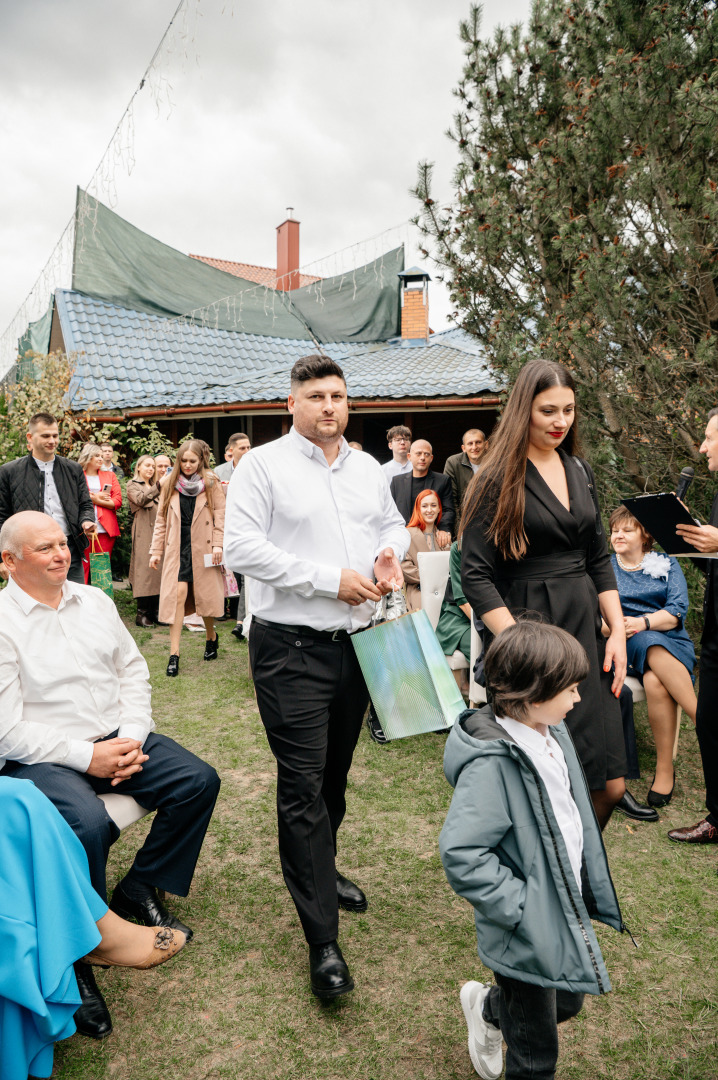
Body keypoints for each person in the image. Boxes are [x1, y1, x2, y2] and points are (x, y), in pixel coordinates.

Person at [224, 353, 408, 999]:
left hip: (357, 647)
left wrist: (391, 552)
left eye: (338, 395)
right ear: (294, 403)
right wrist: (331, 579)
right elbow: (242, 548)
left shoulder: (365, 468)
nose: (330, 406)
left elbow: (390, 524)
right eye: (317, 396)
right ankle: (322, 940)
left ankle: (321, 872)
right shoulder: (261, 466)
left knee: (334, 777)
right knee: (302, 784)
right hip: (289, 650)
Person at [0, 511, 221, 1040]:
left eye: (63, 542)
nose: (62, 554)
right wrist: (87, 757)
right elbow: (7, 731)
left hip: (118, 736)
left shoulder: (95, 599)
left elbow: (132, 669)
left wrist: (133, 736)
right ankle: (81, 948)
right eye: (45, 548)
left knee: (198, 781)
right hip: (44, 757)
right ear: (9, 561)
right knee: (86, 824)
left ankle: (139, 886)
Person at [440, 621, 626, 1080]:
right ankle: (502, 1016)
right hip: (524, 926)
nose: (579, 699)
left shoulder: (549, 732)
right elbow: (463, 853)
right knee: (536, 1056)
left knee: (566, 998)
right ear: (531, 692)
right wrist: (522, 909)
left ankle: (487, 1007)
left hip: (555, 906)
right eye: (571, 690)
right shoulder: (492, 765)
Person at [460, 359, 627, 829]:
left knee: (608, 784)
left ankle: (570, 873)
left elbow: (598, 559)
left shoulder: (580, 470)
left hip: (585, 633)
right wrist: (522, 647)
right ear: (523, 411)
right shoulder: (494, 479)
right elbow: (475, 575)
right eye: (548, 411)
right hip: (528, 635)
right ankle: (550, 884)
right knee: (541, 780)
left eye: (569, 411)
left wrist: (616, 631)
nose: (560, 422)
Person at [0, 778, 186, 1076]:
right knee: (65, 815)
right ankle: (85, 943)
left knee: (198, 780)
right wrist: (87, 756)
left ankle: (126, 898)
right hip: (38, 756)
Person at [607, 507, 697, 816]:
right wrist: (624, 627)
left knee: (656, 681)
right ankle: (704, 718)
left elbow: (676, 612)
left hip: (670, 640)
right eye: (615, 530)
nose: (618, 535)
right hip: (624, 643)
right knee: (645, 641)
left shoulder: (667, 563)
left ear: (645, 536)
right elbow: (599, 618)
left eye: (627, 530)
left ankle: (664, 771)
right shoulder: (604, 567)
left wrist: (642, 623)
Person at [669, 407, 718, 847]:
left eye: (708, 438)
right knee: (709, 722)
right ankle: (717, 817)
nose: (701, 447)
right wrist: (684, 536)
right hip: (717, 633)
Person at [150, 439, 225, 676]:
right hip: (177, 548)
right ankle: (174, 654)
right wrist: (156, 551)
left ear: (201, 460)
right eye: (183, 461)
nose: (187, 465)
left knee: (205, 599)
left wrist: (218, 546)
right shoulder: (169, 484)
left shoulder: (211, 483)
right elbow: (160, 520)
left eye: (192, 461)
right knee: (177, 597)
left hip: (203, 548)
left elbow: (220, 517)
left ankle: (211, 637)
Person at [0, 411, 96, 584]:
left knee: (73, 604)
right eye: (45, 436)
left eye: (55, 435)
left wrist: (86, 520)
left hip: (68, 550)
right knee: (32, 607)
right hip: (28, 554)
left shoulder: (73, 469)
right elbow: (2, 517)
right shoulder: (9, 472)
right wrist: (1, 559)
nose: (52, 441)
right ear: (30, 437)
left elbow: (85, 504)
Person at [390, 439, 456, 536]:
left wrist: (443, 530)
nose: (422, 458)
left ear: (431, 458)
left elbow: (448, 510)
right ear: (409, 457)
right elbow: (390, 511)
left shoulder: (443, 481)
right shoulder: (397, 482)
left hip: (432, 535)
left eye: (426, 454)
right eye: (418, 453)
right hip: (403, 535)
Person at [78, 442, 122, 585]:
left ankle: (101, 603)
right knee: (82, 568)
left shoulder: (110, 475)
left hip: (105, 529)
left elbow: (117, 502)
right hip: (82, 528)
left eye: (101, 456)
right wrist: (95, 498)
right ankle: (79, 603)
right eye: (97, 455)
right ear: (88, 457)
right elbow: (74, 498)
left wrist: (93, 499)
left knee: (101, 570)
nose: (101, 459)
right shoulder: (78, 475)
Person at [401, 489, 451, 612]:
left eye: (433, 505)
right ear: (418, 509)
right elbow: (406, 569)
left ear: (439, 509)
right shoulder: (407, 534)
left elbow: (450, 567)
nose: (429, 510)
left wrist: (447, 544)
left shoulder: (442, 536)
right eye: (424, 506)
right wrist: (435, 577)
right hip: (418, 596)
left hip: (443, 598)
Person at [127, 455, 162, 627]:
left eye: (153, 467)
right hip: (143, 530)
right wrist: (158, 486)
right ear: (138, 467)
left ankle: (156, 612)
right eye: (147, 465)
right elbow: (141, 500)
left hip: (158, 530)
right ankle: (142, 613)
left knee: (158, 571)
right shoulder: (133, 484)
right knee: (144, 571)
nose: (151, 469)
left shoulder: (156, 486)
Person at [436, 541, 472, 675]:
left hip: (490, 614)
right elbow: (462, 599)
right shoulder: (459, 547)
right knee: (490, 648)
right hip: (457, 620)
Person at [443, 428, 487, 513]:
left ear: (486, 445)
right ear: (464, 448)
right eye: (470, 443)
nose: (474, 447)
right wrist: (459, 525)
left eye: (478, 442)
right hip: (464, 518)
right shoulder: (453, 463)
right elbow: (450, 499)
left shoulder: (495, 463)